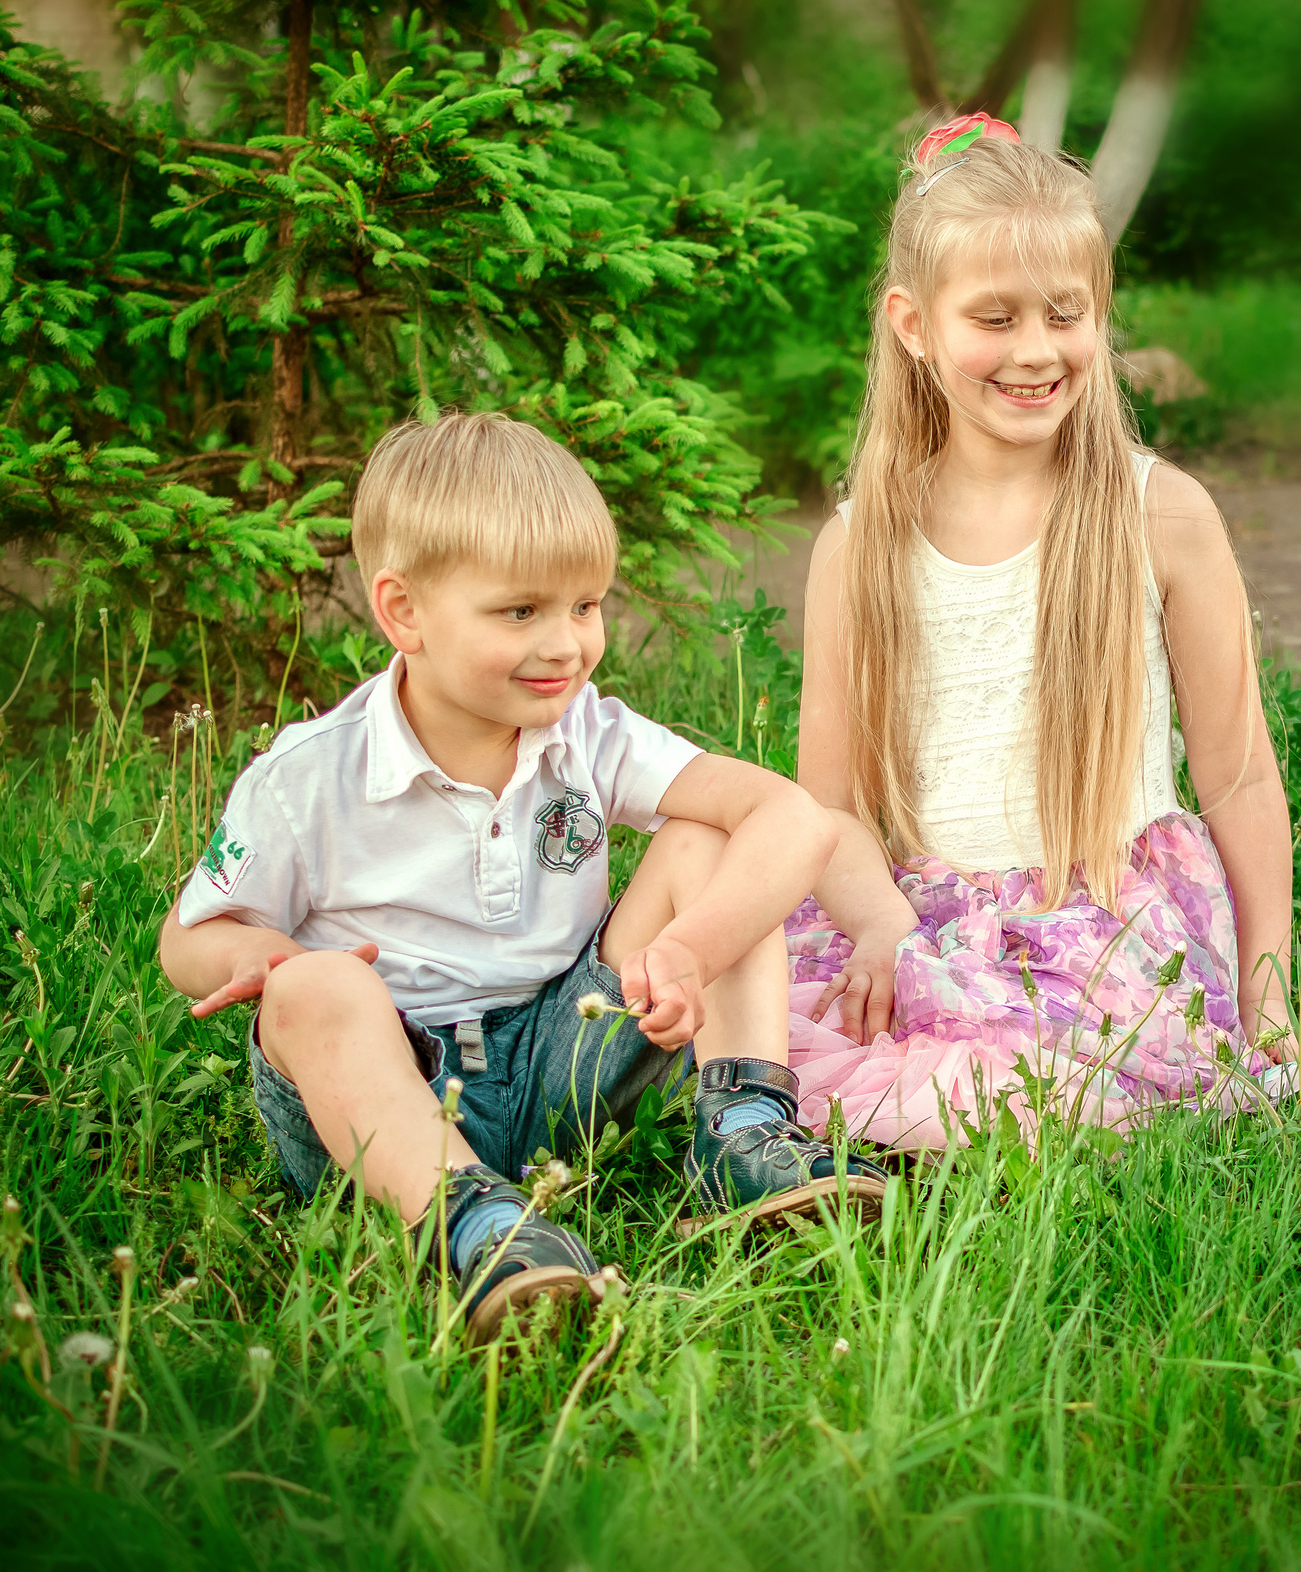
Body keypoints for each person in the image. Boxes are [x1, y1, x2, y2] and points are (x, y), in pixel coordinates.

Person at [159, 412, 888, 1344]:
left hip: (563, 1051)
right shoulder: (312, 776)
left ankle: (744, 1130)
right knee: (319, 984)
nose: (567, 645)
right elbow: (186, 936)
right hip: (391, 1090)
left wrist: (685, 951)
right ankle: (480, 1230)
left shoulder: (588, 732)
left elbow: (790, 816)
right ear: (403, 612)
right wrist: (266, 955)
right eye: (521, 611)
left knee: (709, 837)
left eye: (585, 606)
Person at [785, 113, 1301, 1152]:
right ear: (913, 323)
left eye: (1064, 314)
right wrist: (882, 926)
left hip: (1106, 915)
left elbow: (1242, 780)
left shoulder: (1161, 514)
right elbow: (825, 807)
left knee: (1040, 1073)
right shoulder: (859, 545)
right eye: (993, 318)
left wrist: (1269, 997)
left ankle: (960, 1127)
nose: (1035, 350)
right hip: (914, 907)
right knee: (752, 1010)